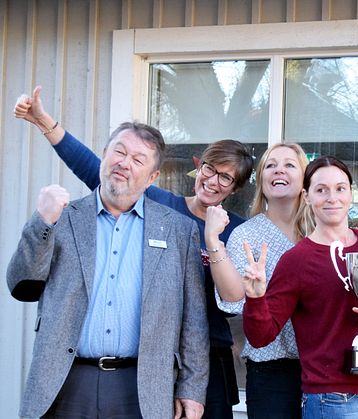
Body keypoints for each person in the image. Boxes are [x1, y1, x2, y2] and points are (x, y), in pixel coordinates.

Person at [14, 86, 252, 418]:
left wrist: (213, 239)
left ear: (236, 188)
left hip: (207, 354)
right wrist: (44, 121)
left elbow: (230, 303)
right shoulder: (162, 207)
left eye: (226, 178)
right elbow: (91, 165)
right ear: (199, 167)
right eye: (210, 168)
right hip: (155, 359)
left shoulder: (237, 229)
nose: (213, 181)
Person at [241, 156, 358, 418]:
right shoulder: (297, 260)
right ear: (306, 196)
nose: (332, 197)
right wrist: (256, 297)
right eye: (321, 190)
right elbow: (261, 336)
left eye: (340, 188)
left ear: (350, 193)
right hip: (334, 400)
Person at [205, 143, 311, 418]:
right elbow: (233, 299)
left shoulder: (322, 232)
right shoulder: (246, 235)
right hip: (271, 372)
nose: (279, 170)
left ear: (305, 177)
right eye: (271, 165)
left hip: (323, 368)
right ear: (262, 179)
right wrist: (213, 240)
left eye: (289, 164)